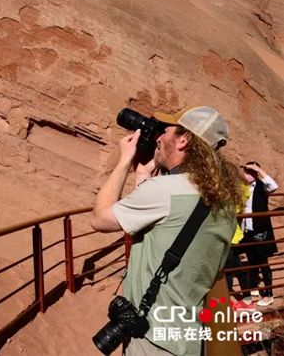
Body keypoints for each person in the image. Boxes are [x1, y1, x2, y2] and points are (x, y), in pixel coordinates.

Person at [91, 105, 244, 356]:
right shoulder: (225, 205)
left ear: (184, 140)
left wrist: (124, 161)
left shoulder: (165, 190)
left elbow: (99, 219)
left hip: (151, 342)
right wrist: (143, 177)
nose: (159, 137)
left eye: (166, 131)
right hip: (187, 340)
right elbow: (174, 231)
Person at [236, 162, 279, 309]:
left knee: (263, 262)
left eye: (249, 171)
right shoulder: (242, 188)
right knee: (251, 260)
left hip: (260, 231)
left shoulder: (262, 186)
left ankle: (268, 294)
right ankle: (253, 287)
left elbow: (274, 186)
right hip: (247, 230)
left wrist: (259, 169)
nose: (246, 173)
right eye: (245, 170)